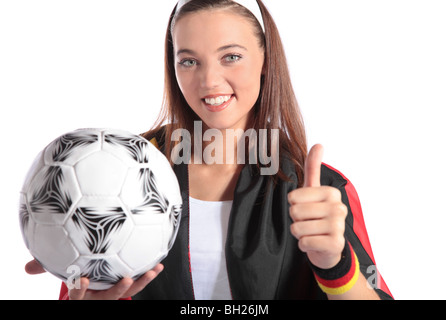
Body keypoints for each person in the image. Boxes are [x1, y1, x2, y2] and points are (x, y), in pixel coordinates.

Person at [25, 0, 393, 300]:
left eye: (230, 56)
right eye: (189, 61)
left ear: (266, 60)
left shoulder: (320, 190)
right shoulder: (113, 171)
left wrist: (335, 266)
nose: (209, 81)